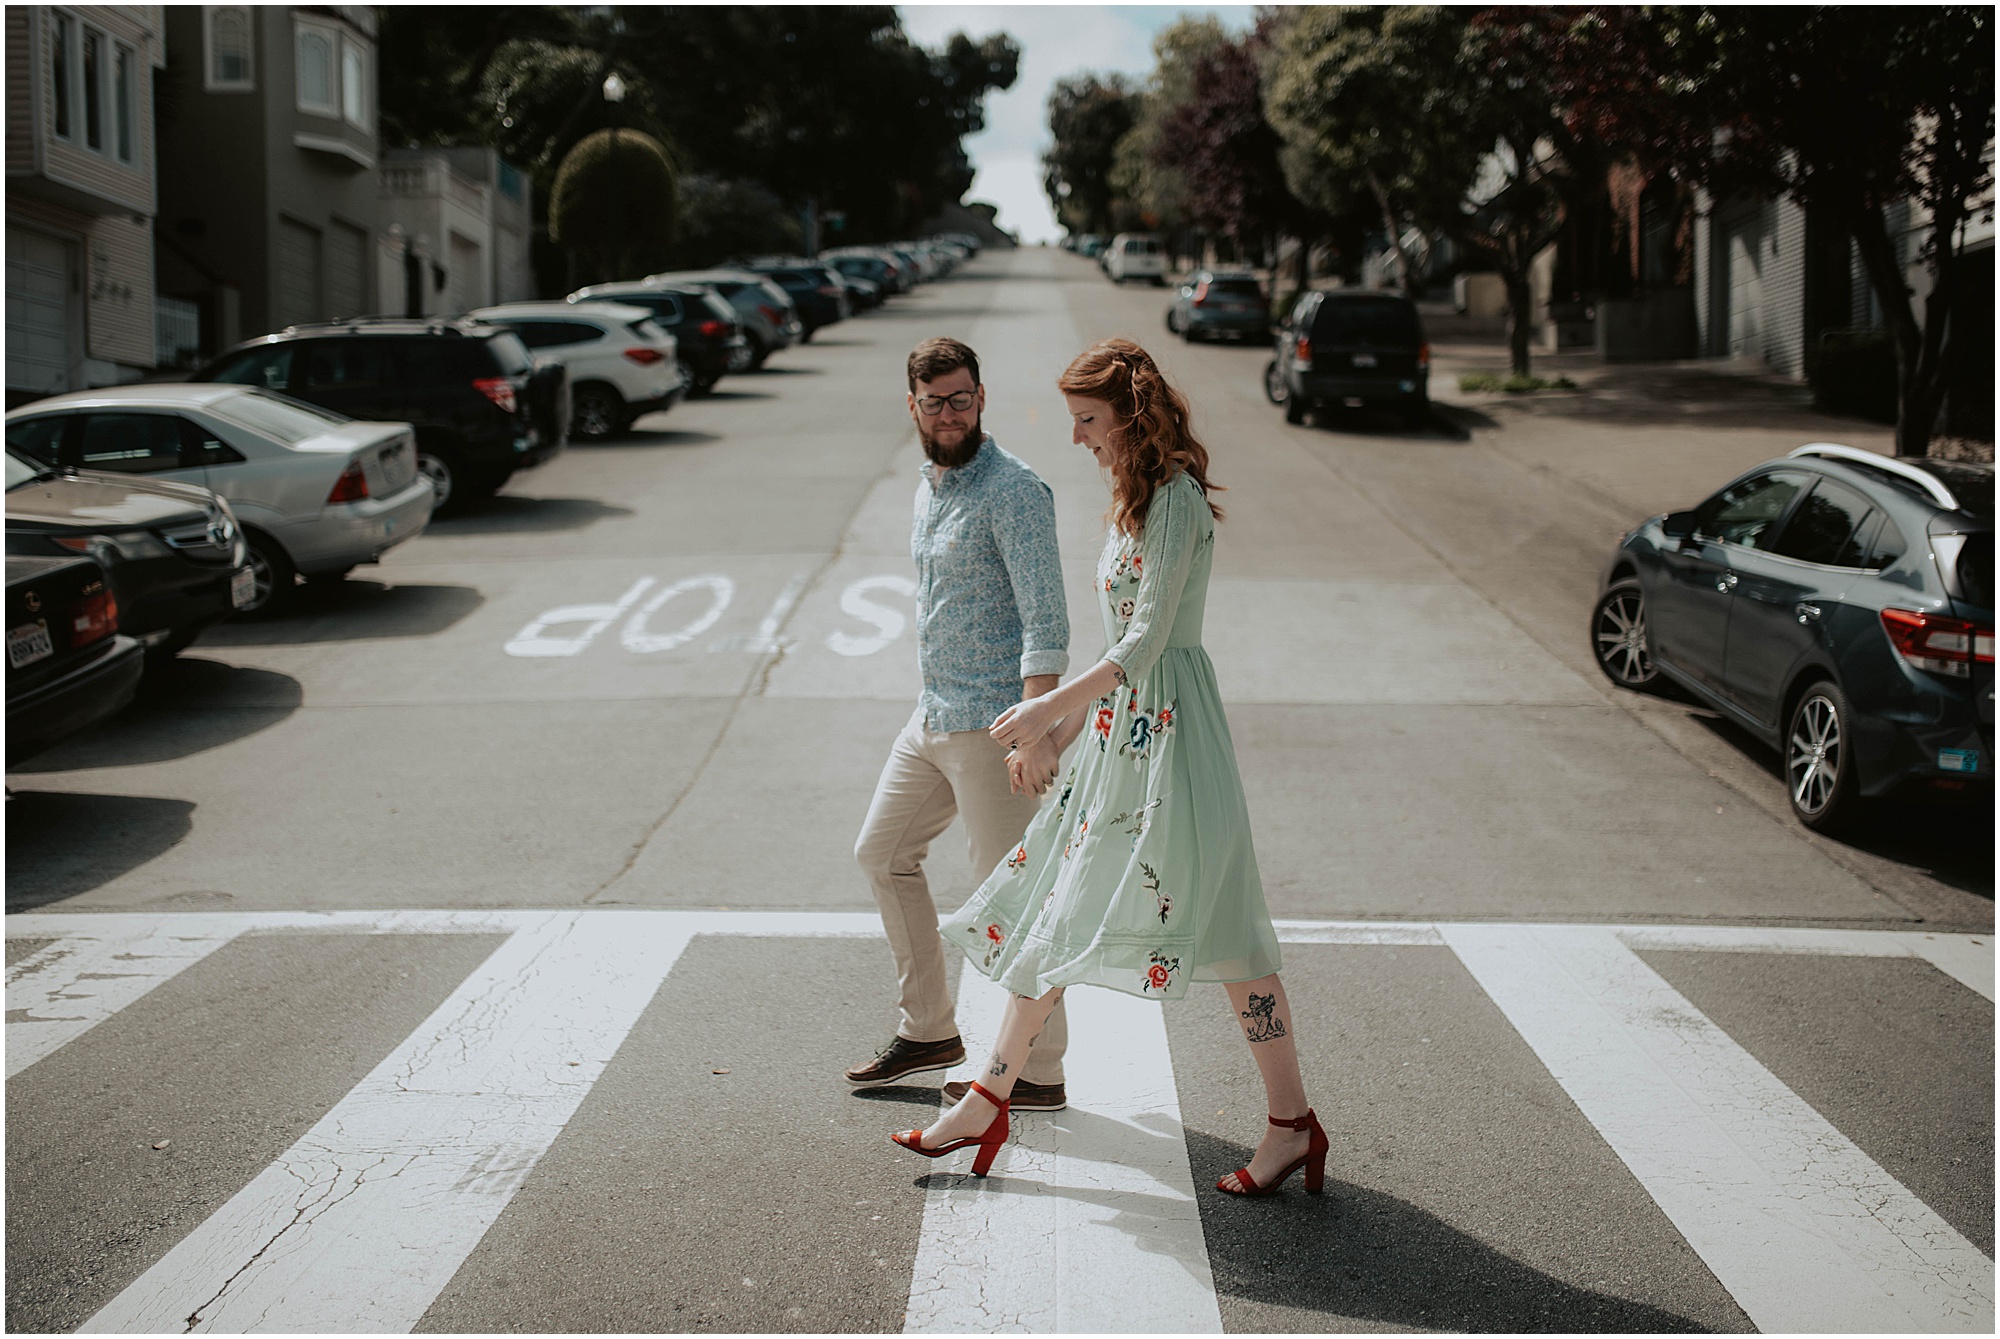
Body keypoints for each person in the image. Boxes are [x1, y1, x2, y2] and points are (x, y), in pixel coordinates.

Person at [891, 337, 1325, 1198]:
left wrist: (1048, 710)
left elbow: (1144, 641)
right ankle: (988, 1096)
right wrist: (1067, 729)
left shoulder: (1178, 503)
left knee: (1232, 937)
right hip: (1128, 730)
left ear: (1129, 416)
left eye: (1088, 422)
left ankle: (1291, 1123)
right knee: (1057, 908)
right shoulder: (1135, 498)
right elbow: (1123, 656)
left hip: (1175, 736)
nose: (1080, 439)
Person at [846, 336, 1073, 1109]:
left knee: (1010, 898)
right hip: (934, 712)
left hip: (995, 727)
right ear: (912, 406)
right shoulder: (930, 484)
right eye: (936, 401)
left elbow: (1046, 620)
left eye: (963, 397)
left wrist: (1037, 730)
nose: (951, 413)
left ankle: (1039, 1071)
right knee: (882, 854)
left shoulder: (1013, 489)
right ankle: (930, 1028)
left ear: (982, 396)